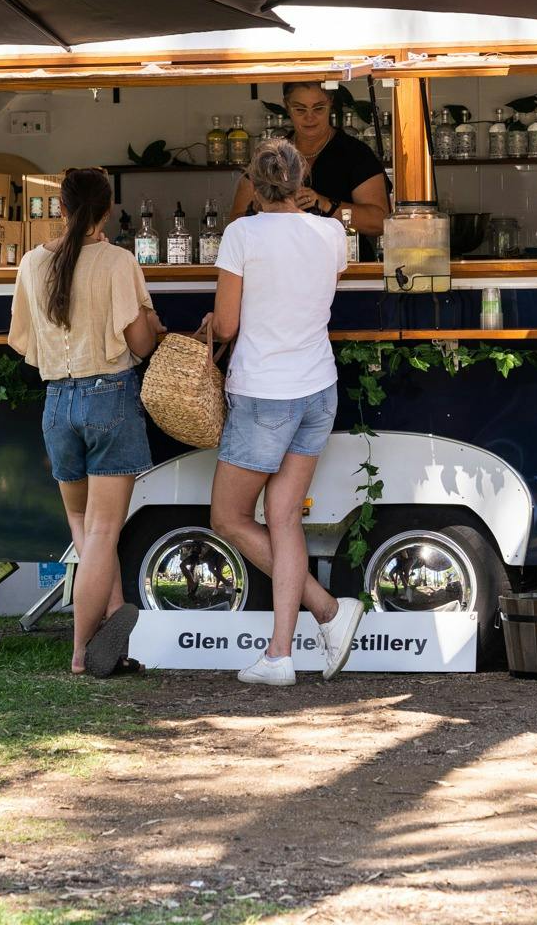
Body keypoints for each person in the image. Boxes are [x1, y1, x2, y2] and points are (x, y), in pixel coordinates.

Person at [207, 138, 364, 686]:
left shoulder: (241, 234)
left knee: (228, 517)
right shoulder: (331, 233)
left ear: (252, 182)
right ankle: (283, 651)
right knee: (283, 518)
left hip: (264, 393)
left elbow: (226, 327)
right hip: (318, 387)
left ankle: (324, 610)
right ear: (303, 180)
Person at [9, 167, 165, 677]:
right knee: (101, 533)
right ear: (108, 211)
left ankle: (113, 628)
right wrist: (153, 327)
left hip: (57, 403)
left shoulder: (33, 263)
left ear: (60, 209)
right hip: (109, 399)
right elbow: (141, 344)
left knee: (87, 530)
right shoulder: (118, 262)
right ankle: (81, 653)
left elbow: (25, 345)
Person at [226, 82, 389, 256]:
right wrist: (272, 207)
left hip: (347, 268)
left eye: (318, 108)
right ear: (287, 106)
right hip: (280, 265)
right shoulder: (270, 155)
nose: (309, 118)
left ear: (330, 103)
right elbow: (236, 222)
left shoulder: (356, 154)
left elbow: (380, 222)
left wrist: (325, 204)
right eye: (300, 109)